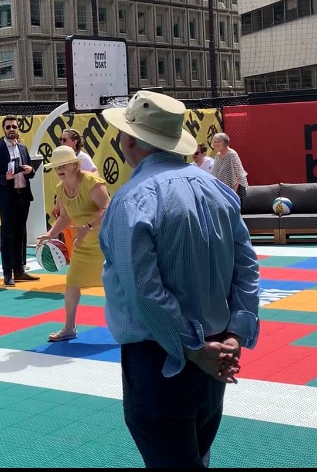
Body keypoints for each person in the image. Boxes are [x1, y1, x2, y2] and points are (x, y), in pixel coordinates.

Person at [98, 90, 260, 468]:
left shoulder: (133, 199)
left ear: (131, 140)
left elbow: (143, 290)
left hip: (162, 360)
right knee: (198, 454)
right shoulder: (218, 191)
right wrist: (234, 334)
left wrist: (191, 349)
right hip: (218, 354)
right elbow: (247, 268)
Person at [37, 145, 110, 342]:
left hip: (105, 243)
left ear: (75, 165)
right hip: (82, 243)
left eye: (64, 165)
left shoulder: (91, 182)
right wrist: (50, 233)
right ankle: (69, 328)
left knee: (116, 287)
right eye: (56, 166)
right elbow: (65, 217)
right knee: (71, 284)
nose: (59, 169)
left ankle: (133, 326)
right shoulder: (61, 188)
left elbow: (108, 209)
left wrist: (88, 226)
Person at [0, 116, 41, 287]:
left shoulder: (23, 148)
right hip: (7, 197)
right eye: (8, 126)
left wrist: (30, 170)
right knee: (8, 236)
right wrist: (5, 177)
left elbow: (30, 172)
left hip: (23, 195)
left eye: (14, 126)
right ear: (3, 129)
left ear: (18, 129)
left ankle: (20, 269)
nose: (11, 129)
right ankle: (7, 273)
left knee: (20, 234)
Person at [53, 128, 97, 250]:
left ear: (75, 141)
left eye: (65, 139)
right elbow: (63, 184)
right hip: (69, 202)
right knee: (68, 231)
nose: (62, 142)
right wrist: (58, 203)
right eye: (60, 139)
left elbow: (95, 175)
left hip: (82, 203)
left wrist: (82, 186)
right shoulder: (61, 159)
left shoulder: (83, 157)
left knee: (82, 234)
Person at [210, 132, 248, 198]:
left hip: (237, 189)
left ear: (225, 142)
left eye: (218, 141)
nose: (216, 144)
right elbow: (215, 174)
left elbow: (238, 175)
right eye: (214, 142)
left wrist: (233, 191)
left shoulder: (231, 154)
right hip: (223, 190)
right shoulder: (217, 155)